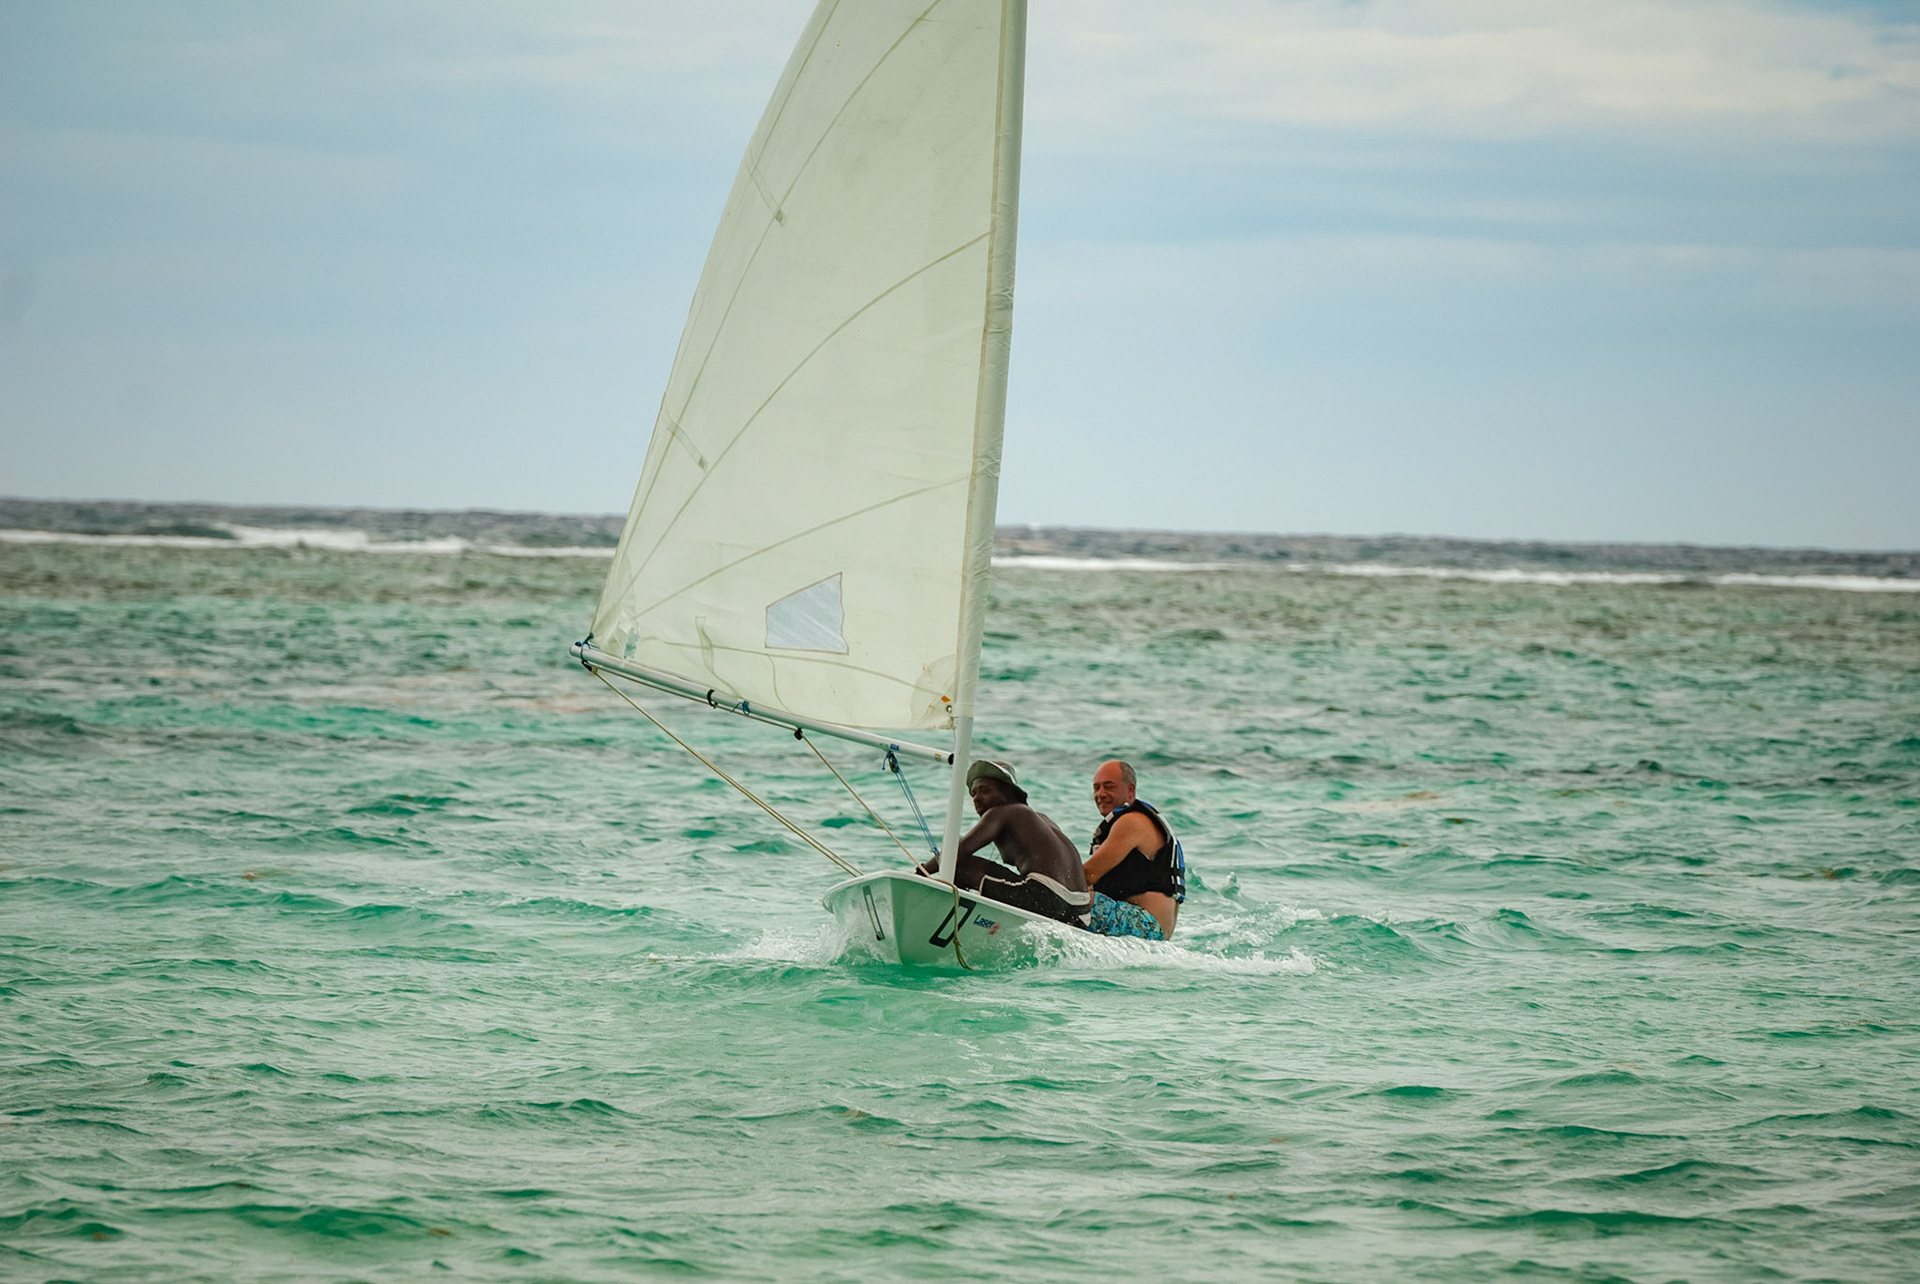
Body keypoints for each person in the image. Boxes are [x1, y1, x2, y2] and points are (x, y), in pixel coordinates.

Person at [916, 760, 1092, 928]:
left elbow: (960, 850)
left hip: (1045, 897)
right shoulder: (1042, 819)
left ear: (1008, 792)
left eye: (985, 790)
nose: (977, 798)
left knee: (960, 866)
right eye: (974, 793)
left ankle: (952, 921)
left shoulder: (1002, 812)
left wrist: (921, 873)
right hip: (1081, 914)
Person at [1083, 760, 1184, 940]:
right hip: (1156, 933)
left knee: (1069, 898)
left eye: (1109, 787)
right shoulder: (1133, 820)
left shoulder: (1131, 822)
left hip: (1144, 925)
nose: (1101, 794)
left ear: (1130, 790)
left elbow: (1088, 875)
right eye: (1096, 788)